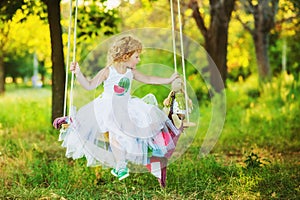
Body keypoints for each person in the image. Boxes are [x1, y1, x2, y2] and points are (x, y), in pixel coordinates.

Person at [60, 35, 179, 181]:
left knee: (141, 125)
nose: (139, 60)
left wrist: (168, 79)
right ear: (125, 56)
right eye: (136, 57)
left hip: (127, 106)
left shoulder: (131, 72)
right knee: (114, 134)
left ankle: (155, 152)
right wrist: (78, 73)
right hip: (108, 107)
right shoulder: (108, 71)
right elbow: (89, 85)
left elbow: (148, 79)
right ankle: (121, 165)